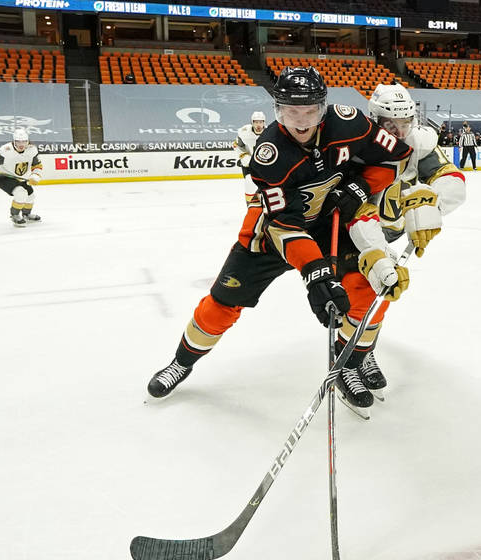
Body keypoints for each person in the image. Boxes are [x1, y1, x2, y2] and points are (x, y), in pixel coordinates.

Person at [145, 67, 412, 400]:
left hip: (330, 222)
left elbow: (395, 157)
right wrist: (316, 274)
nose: (300, 122)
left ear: (323, 107)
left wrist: (360, 187)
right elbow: (284, 223)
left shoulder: (350, 123)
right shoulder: (269, 154)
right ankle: (182, 362)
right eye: (290, 111)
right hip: (272, 234)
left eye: (309, 111)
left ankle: (348, 365)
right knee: (223, 302)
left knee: (366, 287)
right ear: (277, 110)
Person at [330, 83, 467, 414]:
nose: (401, 131)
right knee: (363, 296)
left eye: (406, 122)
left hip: (387, 233)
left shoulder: (419, 145)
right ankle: (346, 364)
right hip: (354, 232)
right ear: (375, 120)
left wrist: (431, 204)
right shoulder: (358, 147)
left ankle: (362, 352)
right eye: (392, 125)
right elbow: (355, 208)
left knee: (383, 296)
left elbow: (453, 182)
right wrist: (376, 252)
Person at [0, 127, 42, 226]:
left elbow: (37, 166)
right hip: (4, 177)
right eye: (18, 142)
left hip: (21, 178)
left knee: (30, 196)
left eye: (24, 142)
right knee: (21, 194)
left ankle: (26, 214)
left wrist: (35, 176)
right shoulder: (5, 150)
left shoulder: (32, 150)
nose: (21, 145)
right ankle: (15, 215)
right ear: (13, 141)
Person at [231, 110, 267, 202]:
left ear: (264, 122)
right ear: (252, 122)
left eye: (260, 122)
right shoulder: (244, 132)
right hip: (248, 165)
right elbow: (236, 145)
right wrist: (244, 155)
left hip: (264, 165)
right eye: (256, 122)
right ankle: (251, 206)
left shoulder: (269, 134)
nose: (258, 125)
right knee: (249, 183)